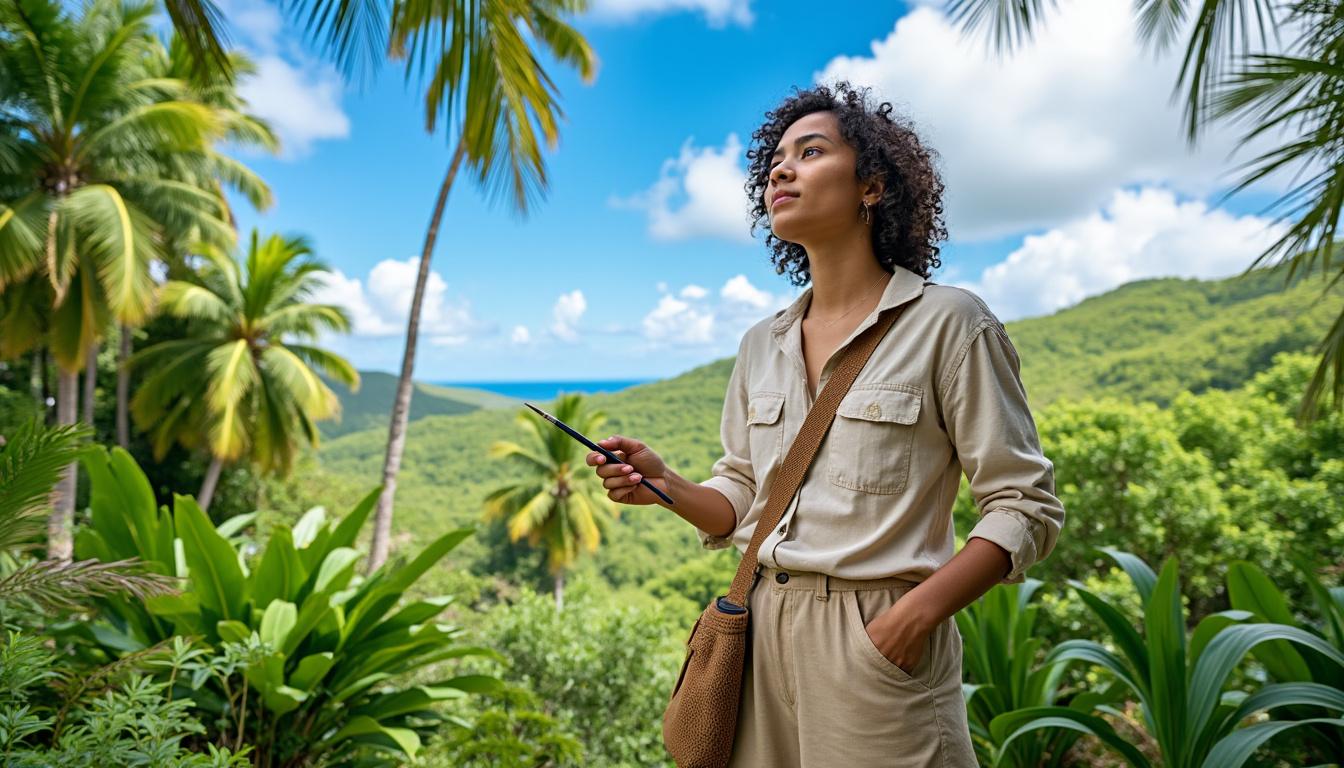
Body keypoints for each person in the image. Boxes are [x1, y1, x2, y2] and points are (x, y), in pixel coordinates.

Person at [584, 81, 1065, 768]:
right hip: (757, 637)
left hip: (876, 643)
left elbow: (1024, 504)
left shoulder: (950, 324)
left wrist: (913, 618)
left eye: (810, 152)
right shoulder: (761, 344)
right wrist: (666, 483)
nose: (781, 169)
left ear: (872, 186)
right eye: (776, 159)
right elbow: (741, 494)